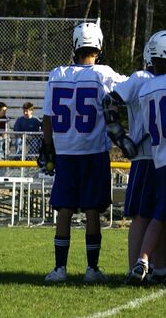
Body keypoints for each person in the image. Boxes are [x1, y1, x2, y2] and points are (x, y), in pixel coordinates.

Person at [40, 22, 126, 284]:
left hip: (65, 151)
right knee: (92, 211)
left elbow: (47, 118)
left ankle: (59, 268)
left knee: (64, 209)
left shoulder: (57, 74)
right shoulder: (105, 74)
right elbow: (130, 91)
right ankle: (92, 268)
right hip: (93, 150)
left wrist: (48, 147)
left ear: (75, 45)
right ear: (98, 46)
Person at [128, 31, 166, 289]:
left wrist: (121, 138)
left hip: (160, 157)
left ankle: (144, 262)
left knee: (159, 215)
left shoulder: (147, 86)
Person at [103, 42, 156, 273]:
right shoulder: (141, 77)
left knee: (162, 216)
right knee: (142, 215)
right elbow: (110, 101)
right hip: (147, 157)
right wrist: (121, 138)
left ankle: (160, 266)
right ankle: (136, 266)